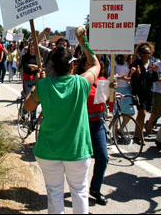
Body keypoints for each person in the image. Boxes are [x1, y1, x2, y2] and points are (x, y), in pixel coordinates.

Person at [24, 27, 100, 214]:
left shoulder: (43, 85)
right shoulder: (81, 83)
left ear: (52, 67)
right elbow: (96, 64)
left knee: (55, 193)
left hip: (49, 150)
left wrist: (37, 85)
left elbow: (28, 107)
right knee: (80, 192)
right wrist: (83, 41)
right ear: (72, 66)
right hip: (76, 150)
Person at [75, 53, 110, 206]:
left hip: (97, 124)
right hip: (81, 125)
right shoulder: (79, 81)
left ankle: (95, 189)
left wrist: (112, 90)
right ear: (84, 66)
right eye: (89, 63)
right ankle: (78, 189)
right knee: (81, 161)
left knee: (103, 157)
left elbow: (104, 101)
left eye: (95, 64)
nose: (92, 67)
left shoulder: (103, 81)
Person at [130, 42, 159, 140]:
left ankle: (136, 133)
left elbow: (154, 79)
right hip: (139, 91)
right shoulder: (136, 63)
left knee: (142, 113)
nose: (146, 54)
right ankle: (140, 134)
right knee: (142, 112)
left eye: (148, 52)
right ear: (140, 53)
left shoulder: (152, 63)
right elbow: (133, 79)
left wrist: (155, 72)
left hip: (148, 92)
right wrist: (136, 74)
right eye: (144, 52)